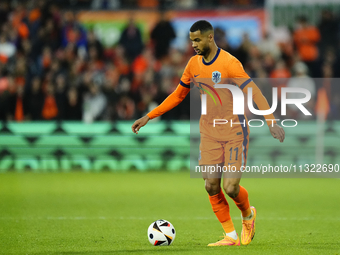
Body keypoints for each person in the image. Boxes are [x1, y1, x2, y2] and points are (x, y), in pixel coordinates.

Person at [131, 20, 285, 246]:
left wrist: (271, 121)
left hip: (235, 131)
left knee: (230, 187)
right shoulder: (193, 64)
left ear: (210, 38)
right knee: (211, 185)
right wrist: (149, 116)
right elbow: (177, 95)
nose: (193, 44)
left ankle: (248, 215)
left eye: (197, 39)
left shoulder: (230, 63)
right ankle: (230, 236)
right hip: (210, 133)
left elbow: (253, 91)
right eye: (191, 40)